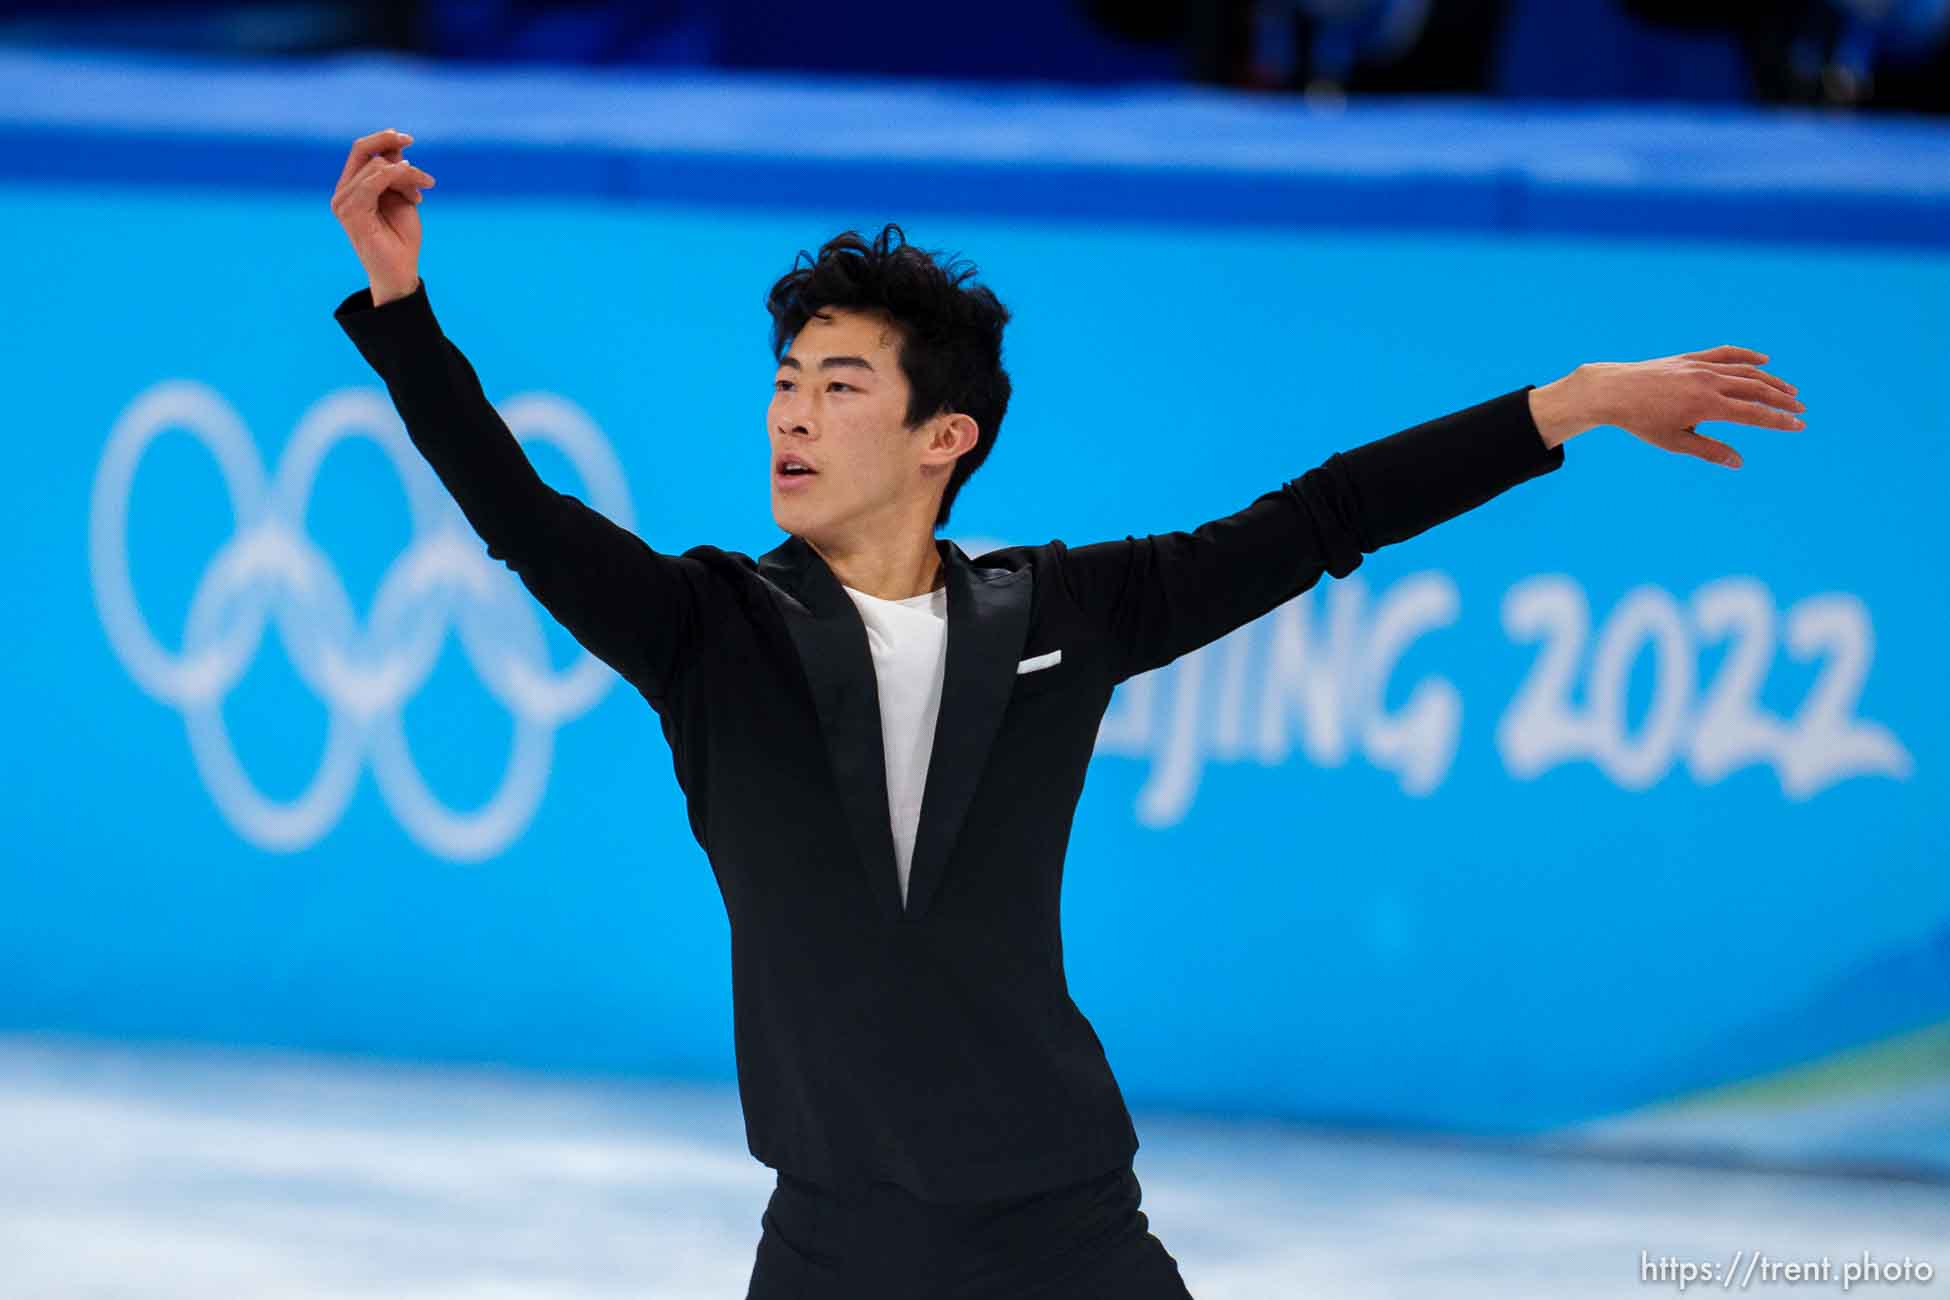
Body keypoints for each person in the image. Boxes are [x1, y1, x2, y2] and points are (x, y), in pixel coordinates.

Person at [328, 127, 1807, 1299]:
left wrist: (1567, 403)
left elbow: (1319, 516)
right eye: (784, 380)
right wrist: (402, 308)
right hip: (833, 1243)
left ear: (941, 437)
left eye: (840, 386)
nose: (790, 412)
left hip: (1058, 1229)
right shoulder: (710, 632)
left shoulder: (1054, 611)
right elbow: (514, 511)